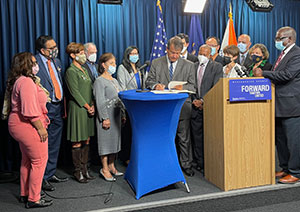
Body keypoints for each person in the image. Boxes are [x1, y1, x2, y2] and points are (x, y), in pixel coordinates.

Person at [253, 26, 300, 184]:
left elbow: (287, 75)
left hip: (292, 105)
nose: (277, 41)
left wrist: (264, 73)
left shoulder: (297, 54)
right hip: (278, 104)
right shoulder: (283, 53)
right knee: (281, 140)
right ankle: (285, 168)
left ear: (290, 39)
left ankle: (296, 172)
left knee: (293, 142)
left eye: (280, 39)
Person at [7, 52, 53, 208]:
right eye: (33, 62)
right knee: (39, 161)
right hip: (28, 125)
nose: (36, 65)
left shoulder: (20, 80)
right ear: (25, 65)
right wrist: (41, 129)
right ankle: (34, 198)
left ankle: (25, 194)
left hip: (19, 125)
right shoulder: (26, 82)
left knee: (27, 161)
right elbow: (30, 111)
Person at [146, 36, 196, 177]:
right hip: (162, 107)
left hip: (181, 107)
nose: (174, 56)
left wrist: (183, 87)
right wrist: (156, 85)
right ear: (166, 49)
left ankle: (186, 164)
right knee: (164, 137)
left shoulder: (189, 65)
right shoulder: (156, 62)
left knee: (184, 138)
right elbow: (149, 81)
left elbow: (193, 86)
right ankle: (163, 164)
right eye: (172, 52)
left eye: (178, 53)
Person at [35, 35, 68, 191]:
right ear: (42, 50)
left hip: (57, 106)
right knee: (42, 144)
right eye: (51, 48)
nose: (55, 50)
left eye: (56, 46)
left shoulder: (57, 61)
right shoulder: (33, 63)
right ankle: (40, 178)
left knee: (54, 143)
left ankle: (50, 173)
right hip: (43, 109)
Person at [65, 42, 95, 183]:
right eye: (80, 52)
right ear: (72, 55)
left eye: (84, 52)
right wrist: (87, 106)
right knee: (77, 141)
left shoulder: (84, 69)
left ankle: (85, 169)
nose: (83, 55)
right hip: (78, 109)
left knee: (86, 139)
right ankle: (78, 172)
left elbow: (90, 89)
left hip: (88, 108)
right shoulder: (71, 71)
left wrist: (92, 105)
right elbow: (75, 92)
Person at [190, 45, 223, 173]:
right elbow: (190, 84)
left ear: (210, 55)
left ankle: (210, 164)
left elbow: (216, 86)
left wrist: (203, 101)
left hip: (210, 108)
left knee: (210, 137)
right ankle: (200, 163)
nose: (201, 56)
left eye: (204, 54)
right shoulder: (192, 66)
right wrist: (195, 100)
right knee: (196, 137)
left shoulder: (216, 67)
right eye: (200, 53)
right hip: (194, 106)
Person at [94, 53, 126, 182]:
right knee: (105, 143)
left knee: (114, 142)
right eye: (111, 63)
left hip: (116, 116)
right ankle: (105, 168)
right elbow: (100, 101)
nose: (114, 65)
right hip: (106, 116)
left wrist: (123, 114)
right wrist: (104, 118)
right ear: (103, 65)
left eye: (114, 63)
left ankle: (112, 166)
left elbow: (120, 98)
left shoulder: (115, 80)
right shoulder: (99, 81)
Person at [117, 46, 142, 166]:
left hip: (139, 105)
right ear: (127, 55)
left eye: (136, 53)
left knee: (136, 133)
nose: (134, 55)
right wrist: (124, 107)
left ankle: (135, 156)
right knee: (128, 132)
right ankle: (126, 157)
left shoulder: (139, 68)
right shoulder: (122, 68)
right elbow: (122, 87)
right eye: (132, 53)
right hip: (128, 105)